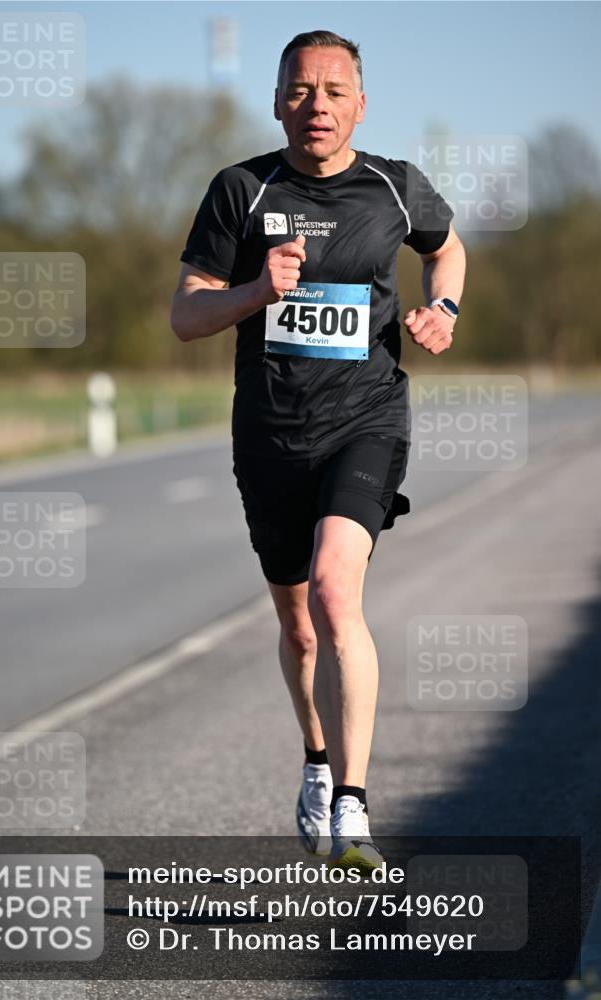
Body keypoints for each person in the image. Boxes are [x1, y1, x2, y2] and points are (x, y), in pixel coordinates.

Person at [171, 30, 466, 872]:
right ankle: (314, 756)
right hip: (268, 434)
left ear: (360, 106)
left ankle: (353, 803)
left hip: (367, 421)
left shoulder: (395, 189)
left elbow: (445, 249)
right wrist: (259, 290)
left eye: (335, 91)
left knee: (339, 592)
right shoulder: (240, 191)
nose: (317, 105)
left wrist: (443, 310)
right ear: (275, 101)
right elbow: (185, 315)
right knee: (299, 627)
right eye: (300, 90)